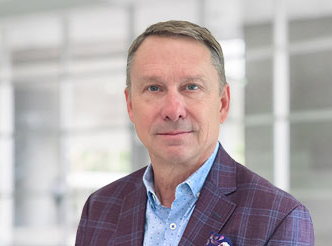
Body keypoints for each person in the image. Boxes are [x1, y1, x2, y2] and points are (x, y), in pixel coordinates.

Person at [75, 20, 314, 246]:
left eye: (191, 87)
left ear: (222, 103)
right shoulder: (99, 208)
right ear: (130, 105)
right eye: (154, 88)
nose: (173, 110)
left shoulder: (280, 218)